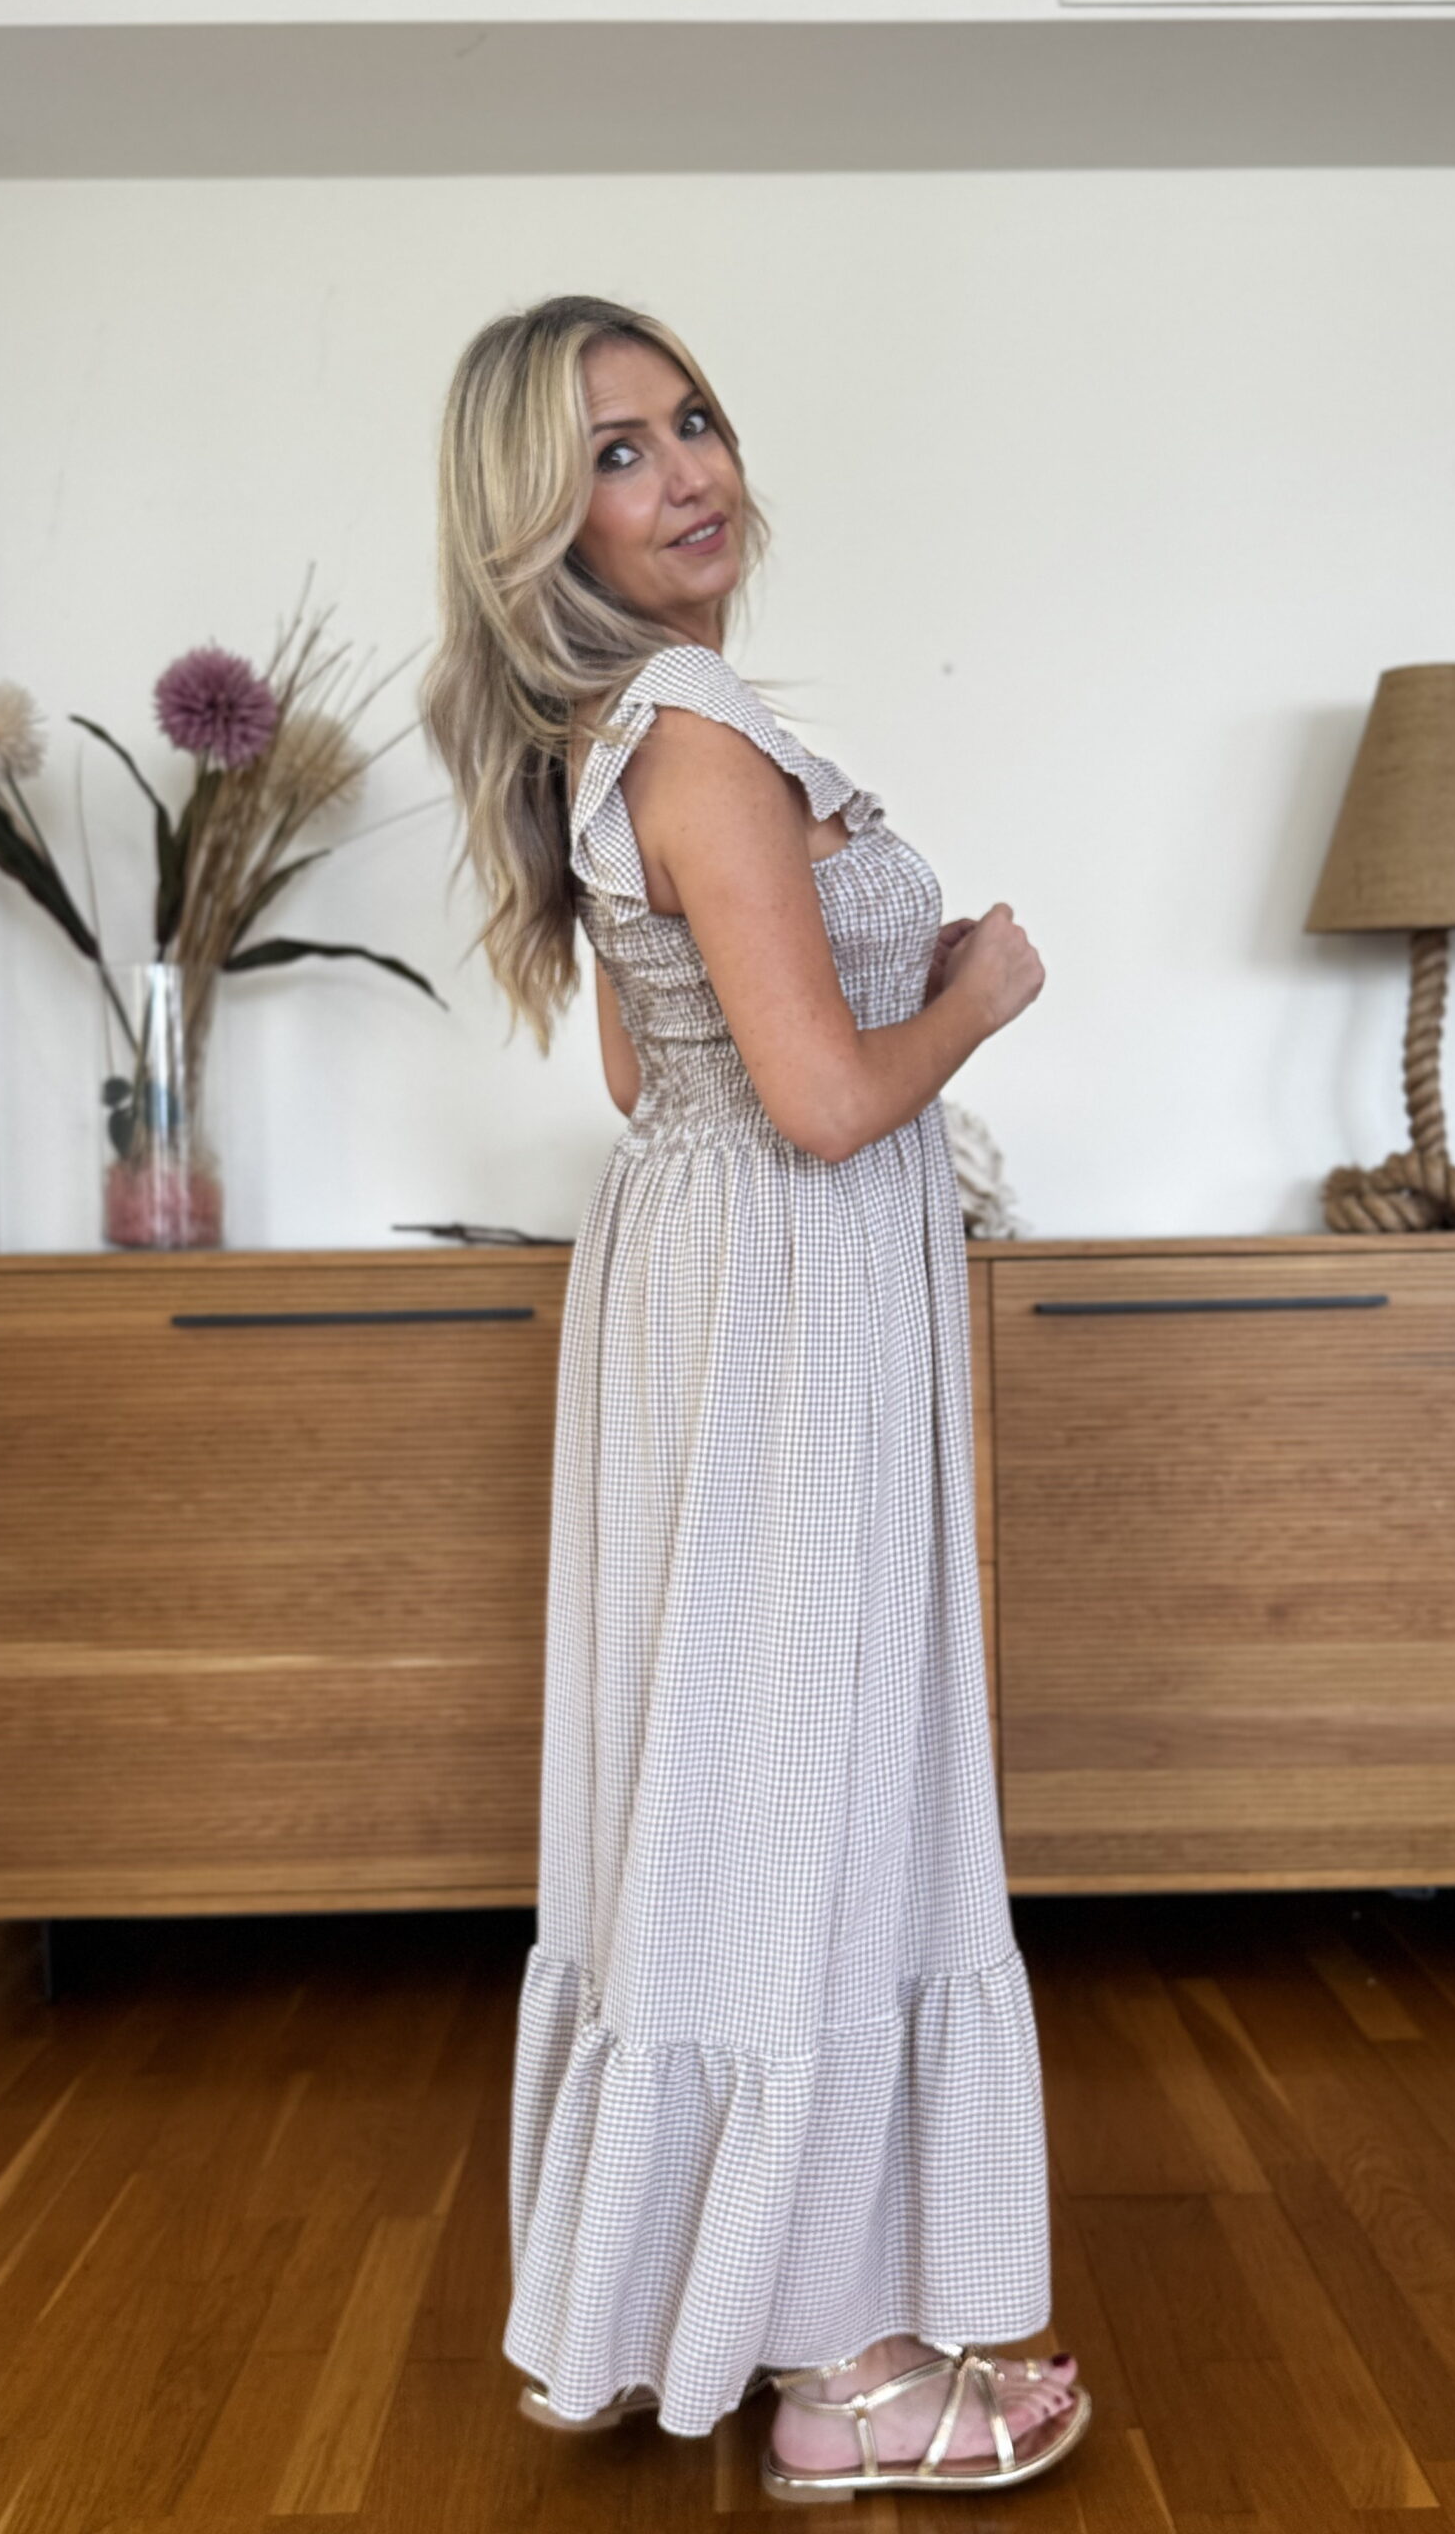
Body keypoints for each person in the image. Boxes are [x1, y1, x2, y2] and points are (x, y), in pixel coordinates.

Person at [419, 293, 1090, 2502]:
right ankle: (842, 2372)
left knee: (727, 1779)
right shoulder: (698, 731)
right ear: (541, 522)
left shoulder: (614, 734)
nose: (687, 468)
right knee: (812, 1785)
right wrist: (972, 993)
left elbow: (654, 1070)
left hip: (713, 1294)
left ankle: (693, 2296)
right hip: (790, 1303)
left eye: (689, 419)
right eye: (615, 452)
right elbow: (815, 1101)